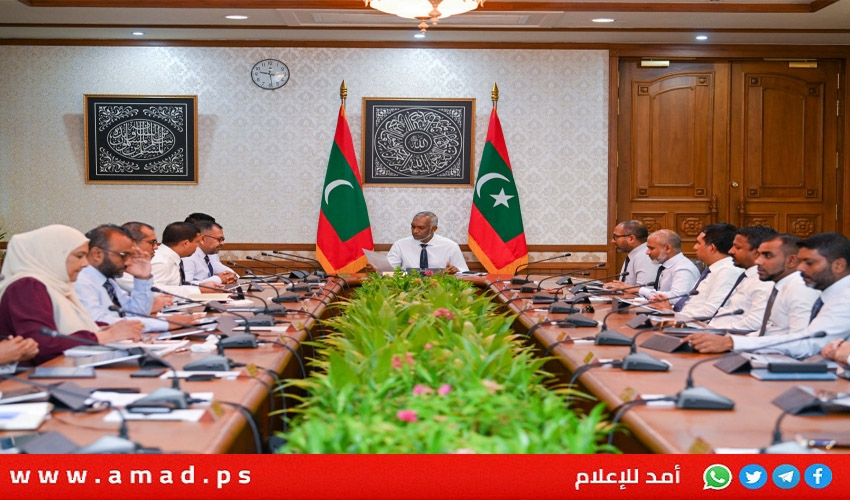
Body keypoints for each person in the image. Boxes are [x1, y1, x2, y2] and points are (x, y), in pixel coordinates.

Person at [690, 232, 850, 359]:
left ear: (838, 265)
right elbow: (776, 332)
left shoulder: (842, 297)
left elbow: (806, 344)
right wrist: (729, 340)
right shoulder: (826, 292)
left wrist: (731, 343)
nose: (801, 268)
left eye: (809, 263)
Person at [0, 225, 143, 365]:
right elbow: (42, 344)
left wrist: (102, 328)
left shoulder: (58, 285)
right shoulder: (27, 286)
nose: (85, 263)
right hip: (32, 376)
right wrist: (105, 336)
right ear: (53, 255)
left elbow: (62, 328)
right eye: (79, 256)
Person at [74, 224, 194, 332]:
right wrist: (164, 323)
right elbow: (100, 323)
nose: (129, 262)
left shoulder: (107, 280)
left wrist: (142, 278)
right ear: (97, 254)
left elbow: (137, 312)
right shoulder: (80, 281)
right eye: (124, 255)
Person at [703, 225, 777, 331]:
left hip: (728, 336)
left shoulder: (763, 282)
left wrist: (718, 333)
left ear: (757, 253)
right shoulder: (747, 277)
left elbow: (755, 323)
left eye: (737, 248)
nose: (730, 251)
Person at [673, 222, 740, 318]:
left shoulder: (727, 271)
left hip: (696, 324)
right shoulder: (713, 269)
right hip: (685, 318)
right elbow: (694, 304)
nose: (694, 247)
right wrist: (669, 310)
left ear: (712, 248)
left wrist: (673, 315)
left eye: (698, 243)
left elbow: (710, 312)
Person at [151, 222, 222, 296]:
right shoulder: (161, 261)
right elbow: (154, 293)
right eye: (197, 242)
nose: (198, 246)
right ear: (186, 243)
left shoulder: (171, 257)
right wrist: (199, 290)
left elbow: (174, 287)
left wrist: (200, 286)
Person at [385, 212, 468, 274]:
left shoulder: (450, 246)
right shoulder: (400, 245)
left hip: (439, 286)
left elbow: (464, 271)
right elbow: (389, 270)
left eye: (421, 228)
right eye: (413, 227)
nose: (415, 231)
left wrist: (456, 270)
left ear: (433, 229)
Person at [120, 221, 172, 312]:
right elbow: (154, 294)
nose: (156, 247)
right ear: (133, 243)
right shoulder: (117, 272)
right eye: (152, 242)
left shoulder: (137, 266)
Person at [637, 229, 699, 300]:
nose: (647, 252)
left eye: (651, 248)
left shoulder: (683, 268)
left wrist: (640, 290)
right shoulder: (663, 266)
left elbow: (678, 298)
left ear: (667, 248)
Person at [604, 220, 658, 289]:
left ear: (631, 239)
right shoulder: (635, 254)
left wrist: (622, 288)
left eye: (615, 237)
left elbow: (645, 290)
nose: (613, 241)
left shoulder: (645, 256)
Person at [182, 220, 238, 286]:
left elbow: (226, 272)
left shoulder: (209, 255)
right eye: (219, 239)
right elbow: (186, 285)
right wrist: (218, 279)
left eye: (223, 240)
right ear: (203, 239)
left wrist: (231, 276)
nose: (222, 243)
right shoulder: (189, 256)